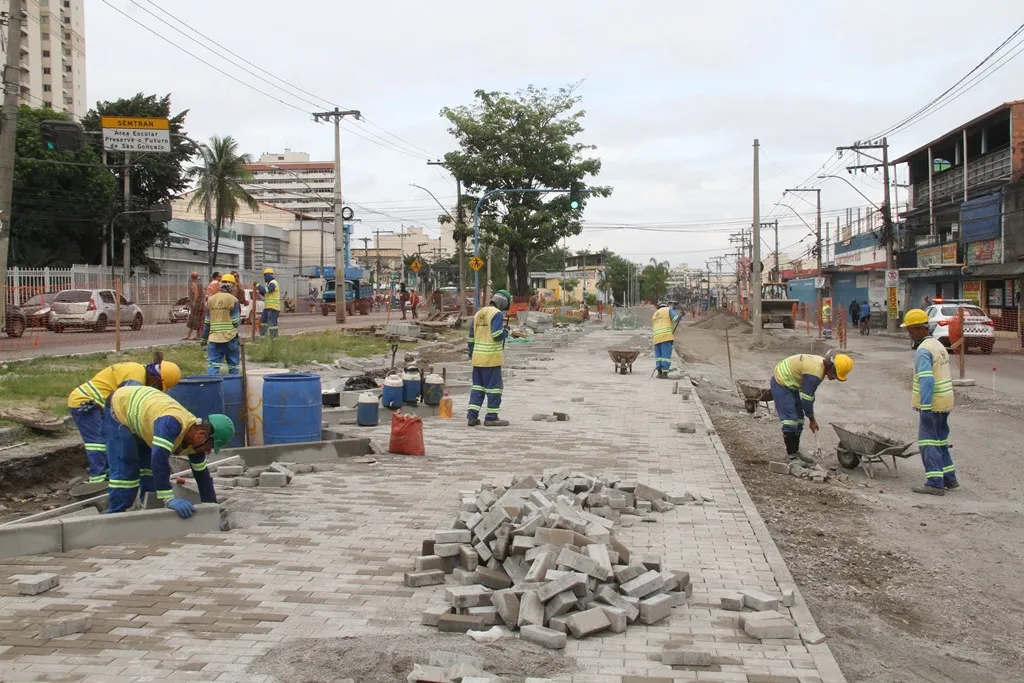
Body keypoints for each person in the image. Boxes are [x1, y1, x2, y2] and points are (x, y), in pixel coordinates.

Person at [103, 384, 234, 516]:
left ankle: (147, 514)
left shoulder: (195, 440)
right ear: (201, 435)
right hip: (120, 406)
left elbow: (202, 476)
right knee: (126, 472)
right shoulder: (172, 423)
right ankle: (114, 518)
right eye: (209, 447)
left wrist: (211, 508)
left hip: (144, 414)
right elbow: (159, 458)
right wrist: (169, 499)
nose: (208, 451)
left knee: (150, 473)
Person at [68, 353, 181, 491]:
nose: (156, 388)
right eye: (158, 385)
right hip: (85, 403)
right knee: (98, 444)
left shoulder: (138, 372)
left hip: (98, 404)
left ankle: (105, 479)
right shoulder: (134, 379)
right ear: (156, 378)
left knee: (107, 442)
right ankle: (97, 486)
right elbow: (127, 405)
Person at [901, 309, 958, 495]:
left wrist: (925, 408)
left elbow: (926, 380)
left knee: (928, 442)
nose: (910, 334)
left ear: (920, 329)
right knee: (941, 441)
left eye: (910, 331)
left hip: (932, 404)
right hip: (945, 402)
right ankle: (949, 478)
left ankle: (934, 482)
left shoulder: (923, 350)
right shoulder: (938, 345)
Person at [770, 352, 853, 462]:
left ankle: (795, 452)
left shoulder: (821, 366)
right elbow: (807, 400)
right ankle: (791, 456)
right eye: (835, 374)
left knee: (799, 419)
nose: (834, 378)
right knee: (790, 421)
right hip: (781, 382)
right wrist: (812, 420)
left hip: (791, 383)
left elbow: (808, 396)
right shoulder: (815, 373)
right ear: (831, 367)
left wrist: (810, 418)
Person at [467, 289, 512, 427]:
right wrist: (506, 331)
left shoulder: (479, 313)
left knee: (478, 388)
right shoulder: (496, 314)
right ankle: (491, 417)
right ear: (503, 304)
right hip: (491, 358)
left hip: (477, 358)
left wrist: (471, 354)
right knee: (494, 388)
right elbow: (497, 334)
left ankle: (472, 417)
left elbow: (471, 337)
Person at [202, 274, 242, 375]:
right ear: (232, 285)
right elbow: (236, 322)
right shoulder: (234, 300)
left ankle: (210, 388)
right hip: (230, 338)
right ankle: (233, 387)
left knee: (213, 365)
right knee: (233, 366)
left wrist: (203, 340)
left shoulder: (210, 300)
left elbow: (207, 323)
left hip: (214, 338)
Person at [652, 302, 683, 379]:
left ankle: (659, 372)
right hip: (666, 336)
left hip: (656, 337)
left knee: (658, 355)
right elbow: (675, 319)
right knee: (665, 355)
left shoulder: (655, 314)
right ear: (666, 306)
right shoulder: (668, 310)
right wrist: (681, 315)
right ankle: (665, 373)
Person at [257, 267, 280, 337]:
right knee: (263, 323)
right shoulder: (269, 284)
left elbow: (266, 290)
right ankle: (263, 338)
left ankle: (274, 340)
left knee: (272, 324)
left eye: (265, 276)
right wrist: (259, 291)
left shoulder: (273, 283)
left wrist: (258, 285)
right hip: (267, 307)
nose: (264, 278)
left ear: (269, 275)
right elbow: (265, 294)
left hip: (273, 308)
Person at [184, 272, 205, 341]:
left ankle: (191, 335)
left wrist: (193, 302)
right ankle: (196, 335)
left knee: (193, 319)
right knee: (198, 320)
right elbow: (203, 292)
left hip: (196, 305)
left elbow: (196, 294)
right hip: (201, 304)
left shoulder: (194, 283)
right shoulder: (200, 283)